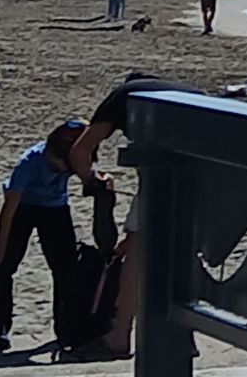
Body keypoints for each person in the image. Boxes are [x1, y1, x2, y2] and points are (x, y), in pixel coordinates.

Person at [69, 75, 196, 359]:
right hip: (206, 167)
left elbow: (80, 151)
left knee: (137, 248)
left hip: (164, 173)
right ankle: (185, 334)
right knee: (180, 251)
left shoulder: (122, 96)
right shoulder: (182, 91)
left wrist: (92, 180)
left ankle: (119, 336)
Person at [0, 123, 84, 352]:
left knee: (66, 269)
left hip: (56, 208)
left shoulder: (77, 154)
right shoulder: (29, 163)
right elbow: (8, 213)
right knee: (4, 267)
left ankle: (66, 329)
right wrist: (0, 251)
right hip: (24, 207)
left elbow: (90, 175)